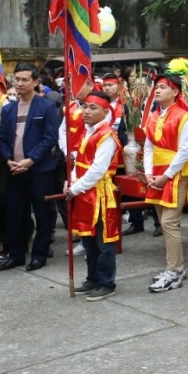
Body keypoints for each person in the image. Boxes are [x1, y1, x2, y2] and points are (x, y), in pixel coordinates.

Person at [0, 63, 60, 271]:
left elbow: (50, 138)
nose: (20, 83)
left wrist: (30, 160)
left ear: (35, 82)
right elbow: (1, 139)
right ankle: (16, 254)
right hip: (14, 170)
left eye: (24, 79)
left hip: (39, 170)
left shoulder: (46, 107)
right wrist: (8, 160)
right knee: (15, 214)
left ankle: (39, 255)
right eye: (17, 79)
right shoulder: (8, 109)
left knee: (43, 213)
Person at [143, 74, 188, 293]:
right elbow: (148, 146)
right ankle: (175, 267)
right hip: (156, 173)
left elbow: (185, 151)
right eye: (156, 87)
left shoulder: (183, 117)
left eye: (163, 87)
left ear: (175, 92)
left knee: (168, 222)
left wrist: (166, 175)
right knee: (162, 220)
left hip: (175, 174)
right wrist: (148, 172)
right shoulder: (153, 115)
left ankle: (174, 270)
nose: (157, 90)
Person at [65, 91, 120, 300]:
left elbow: (98, 169)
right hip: (84, 192)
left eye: (92, 108)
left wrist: (75, 188)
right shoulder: (86, 131)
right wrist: (70, 181)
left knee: (103, 241)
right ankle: (93, 278)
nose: (86, 111)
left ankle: (107, 282)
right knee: (87, 238)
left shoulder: (107, 136)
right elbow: (78, 162)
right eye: (85, 106)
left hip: (100, 194)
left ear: (105, 112)